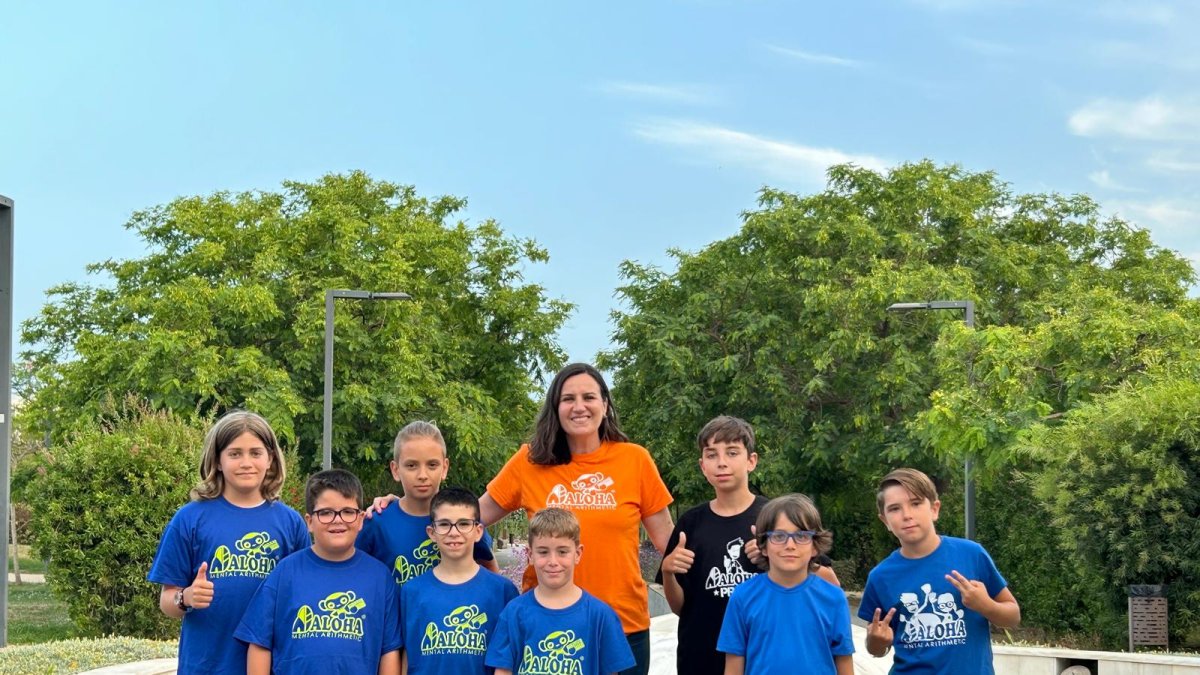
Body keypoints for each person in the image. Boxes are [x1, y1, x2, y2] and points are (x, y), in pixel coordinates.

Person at [482, 363, 674, 675]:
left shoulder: (635, 459)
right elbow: (469, 518)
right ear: (555, 408)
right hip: (544, 625)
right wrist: (405, 505)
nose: (579, 406)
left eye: (589, 397)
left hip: (622, 625)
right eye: (568, 398)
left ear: (605, 405)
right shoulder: (529, 461)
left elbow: (670, 544)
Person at [658, 416, 841, 675]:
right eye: (712, 455)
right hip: (700, 658)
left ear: (751, 461)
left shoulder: (777, 516)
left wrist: (774, 561)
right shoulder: (691, 522)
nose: (721, 462)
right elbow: (681, 608)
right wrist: (667, 571)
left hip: (766, 658)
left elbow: (830, 584)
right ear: (702, 466)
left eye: (732, 452)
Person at [148, 410, 309, 675]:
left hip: (273, 666)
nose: (246, 462)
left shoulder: (290, 523)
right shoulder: (190, 518)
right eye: (235, 453)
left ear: (270, 459)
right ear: (218, 461)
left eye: (255, 453)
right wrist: (186, 597)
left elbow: (302, 601)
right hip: (206, 666)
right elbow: (167, 601)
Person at [235, 469, 401, 675]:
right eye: (326, 512)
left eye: (348, 512)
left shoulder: (379, 577)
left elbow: (390, 651)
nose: (337, 520)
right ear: (309, 521)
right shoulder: (286, 573)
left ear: (360, 519)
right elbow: (260, 643)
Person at [859, 468, 1020, 674]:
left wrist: (986, 605)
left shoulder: (971, 554)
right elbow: (877, 647)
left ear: (934, 509)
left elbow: (1013, 617)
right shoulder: (880, 577)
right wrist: (876, 642)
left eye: (916, 503)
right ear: (885, 521)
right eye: (894, 509)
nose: (907, 515)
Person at [485, 508, 634, 675]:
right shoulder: (514, 612)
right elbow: (503, 670)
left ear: (577, 554)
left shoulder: (601, 615)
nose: (553, 561)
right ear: (530, 555)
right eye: (543, 552)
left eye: (562, 552)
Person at [717, 493, 854, 675]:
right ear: (763, 546)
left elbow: (844, 663)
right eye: (779, 536)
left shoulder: (834, 598)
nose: (790, 545)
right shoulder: (742, 596)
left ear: (815, 546)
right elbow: (734, 667)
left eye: (801, 536)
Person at [360, 421, 496, 589]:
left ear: (445, 467)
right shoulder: (377, 521)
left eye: (432, 465)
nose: (422, 475)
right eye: (411, 465)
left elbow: (491, 577)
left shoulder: (465, 521)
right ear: (395, 470)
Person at [400, 486, 519, 674]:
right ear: (432, 532)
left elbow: (511, 659)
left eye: (463, 524)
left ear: (478, 531)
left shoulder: (503, 591)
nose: (454, 532)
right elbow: (406, 655)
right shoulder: (411, 591)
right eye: (445, 524)